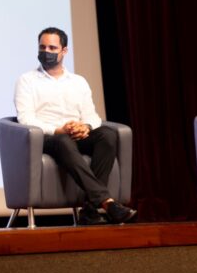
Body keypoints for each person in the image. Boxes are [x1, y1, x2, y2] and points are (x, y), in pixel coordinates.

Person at [14, 27, 137, 225]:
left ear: (64, 51)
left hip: (76, 135)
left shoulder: (78, 82)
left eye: (52, 47)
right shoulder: (27, 81)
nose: (46, 52)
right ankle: (106, 202)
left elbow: (91, 115)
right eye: (42, 47)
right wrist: (58, 129)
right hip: (49, 137)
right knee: (63, 140)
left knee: (107, 135)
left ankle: (89, 209)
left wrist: (86, 126)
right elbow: (26, 118)